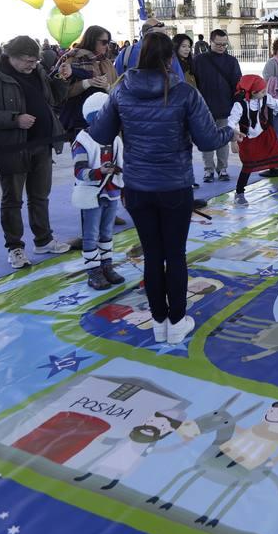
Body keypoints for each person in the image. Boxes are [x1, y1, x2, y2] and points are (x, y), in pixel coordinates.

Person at [88, 32, 240, 344]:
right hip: (174, 186)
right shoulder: (184, 92)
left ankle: (159, 322)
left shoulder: (120, 91)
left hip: (139, 189)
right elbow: (208, 140)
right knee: (175, 254)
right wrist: (230, 133)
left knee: (153, 255)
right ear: (170, 58)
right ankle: (176, 320)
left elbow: (100, 133)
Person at [0, 35, 71, 269]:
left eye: (35, 61)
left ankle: (43, 239)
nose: (32, 65)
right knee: (12, 200)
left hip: (42, 144)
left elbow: (53, 99)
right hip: (12, 148)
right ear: (11, 57)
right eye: (27, 61)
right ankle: (15, 247)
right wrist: (15, 119)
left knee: (40, 197)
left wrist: (62, 79)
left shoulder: (38, 72)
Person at [71, 92, 126, 291]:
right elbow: (79, 171)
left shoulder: (116, 140)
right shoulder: (82, 141)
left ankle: (106, 265)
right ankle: (93, 271)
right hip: (91, 195)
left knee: (107, 231)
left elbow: (123, 164)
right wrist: (98, 172)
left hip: (111, 193)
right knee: (91, 233)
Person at [228, 74, 278, 206]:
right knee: (248, 166)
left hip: (266, 135)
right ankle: (239, 193)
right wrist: (233, 141)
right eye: (262, 91)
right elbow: (231, 123)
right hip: (248, 139)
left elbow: (274, 102)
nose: (265, 93)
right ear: (253, 92)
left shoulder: (264, 98)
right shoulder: (239, 105)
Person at [192, 28, 241, 183]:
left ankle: (223, 168)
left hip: (225, 107)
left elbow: (237, 84)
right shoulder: (199, 60)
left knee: (223, 140)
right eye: (218, 44)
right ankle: (208, 170)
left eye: (224, 44)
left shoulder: (231, 61)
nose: (221, 47)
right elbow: (194, 83)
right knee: (206, 140)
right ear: (210, 42)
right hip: (204, 109)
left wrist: (237, 105)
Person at [60, 26, 116, 134]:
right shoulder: (72, 59)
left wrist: (107, 86)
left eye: (109, 42)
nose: (107, 46)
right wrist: (87, 83)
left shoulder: (107, 62)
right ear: (92, 40)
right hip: (79, 122)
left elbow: (117, 90)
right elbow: (62, 93)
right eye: (104, 42)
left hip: (105, 119)